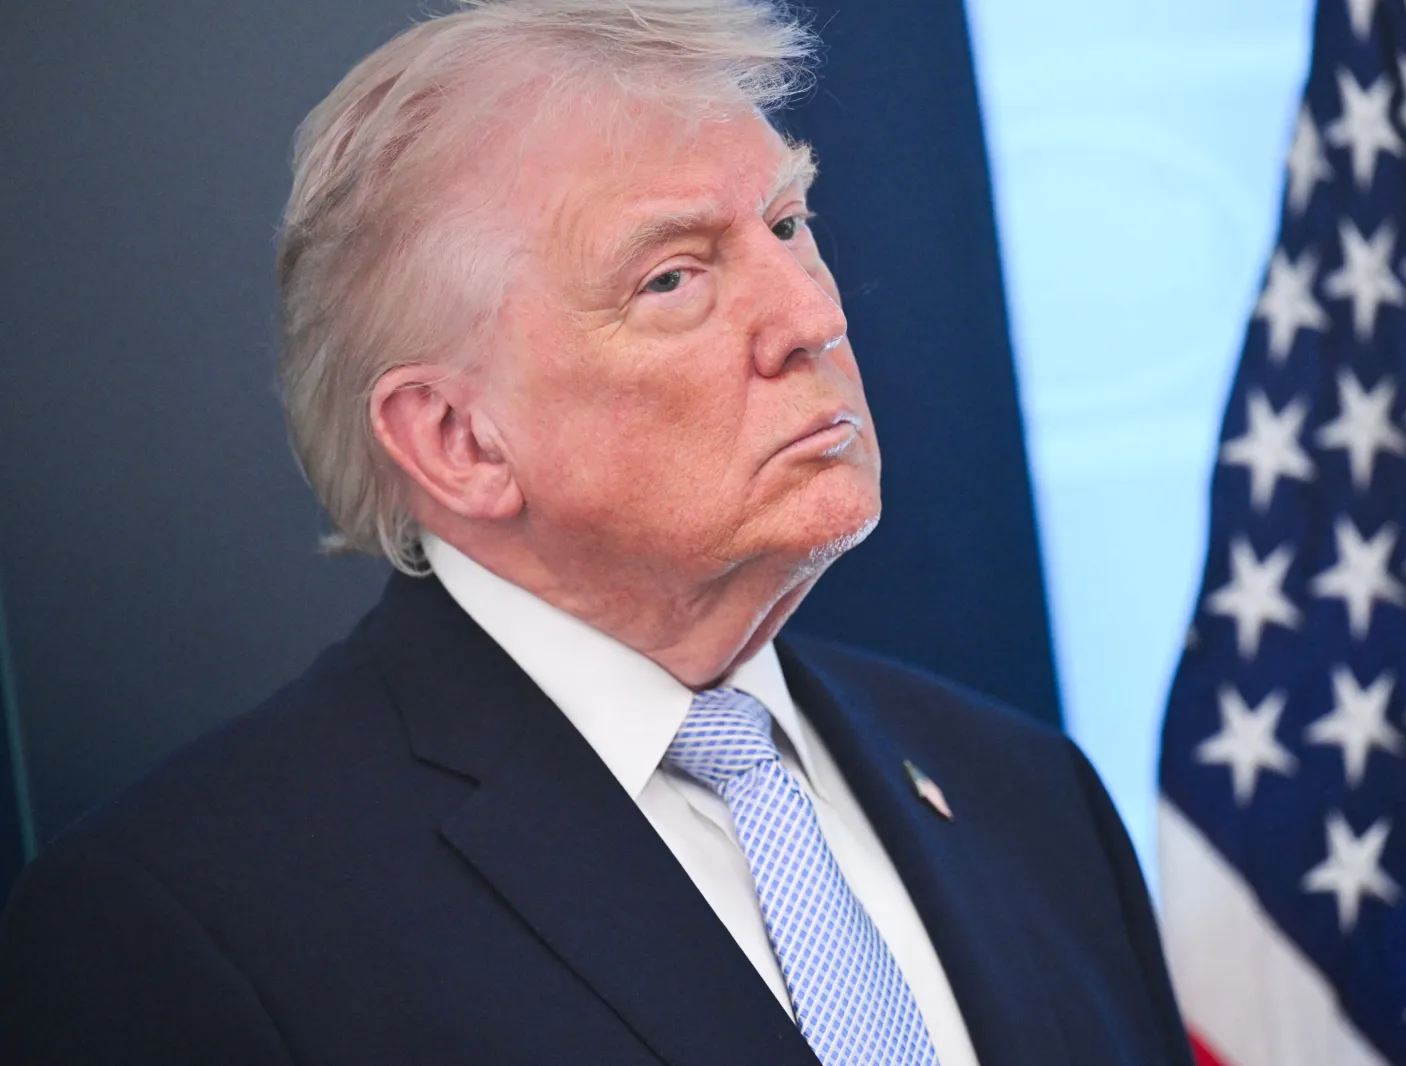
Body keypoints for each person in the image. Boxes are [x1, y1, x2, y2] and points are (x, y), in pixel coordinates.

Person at [0, 2, 1192, 1063]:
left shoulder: (1027, 794)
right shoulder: (192, 925)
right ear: (458, 443)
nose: (811, 313)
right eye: (672, 278)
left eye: (787, 224)